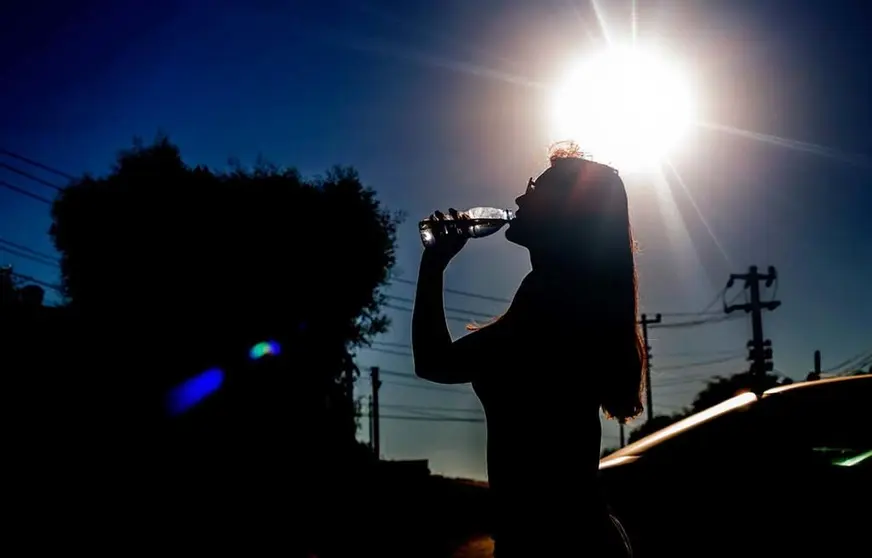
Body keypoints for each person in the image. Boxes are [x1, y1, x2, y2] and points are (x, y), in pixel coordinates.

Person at [412, 144, 645, 557]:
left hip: (555, 545)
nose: (521, 198)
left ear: (571, 215)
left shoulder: (554, 301)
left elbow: (435, 362)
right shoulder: (558, 294)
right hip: (570, 537)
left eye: (538, 188)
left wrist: (433, 267)